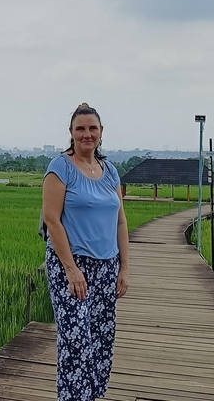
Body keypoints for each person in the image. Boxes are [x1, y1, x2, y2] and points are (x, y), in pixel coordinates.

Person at [42, 103, 130, 400]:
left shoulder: (111, 172)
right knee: (76, 341)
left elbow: (120, 219)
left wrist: (124, 267)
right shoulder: (61, 168)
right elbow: (51, 219)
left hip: (107, 266)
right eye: (80, 129)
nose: (87, 134)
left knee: (101, 340)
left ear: (101, 132)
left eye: (92, 128)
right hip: (71, 266)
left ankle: (91, 395)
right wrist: (70, 268)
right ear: (71, 133)